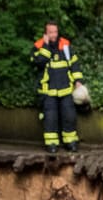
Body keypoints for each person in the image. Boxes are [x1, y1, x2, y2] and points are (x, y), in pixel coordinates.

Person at [30, 20, 81, 153]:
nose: (54, 35)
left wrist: (78, 80)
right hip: (48, 91)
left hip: (66, 88)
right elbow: (39, 62)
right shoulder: (38, 46)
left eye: (55, 32)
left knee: (69, 116)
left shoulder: (65, 45)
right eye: (51, 32)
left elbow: (74, 64)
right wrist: (46, 46)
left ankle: (70, 142)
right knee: (50, 118)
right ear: (45, 33)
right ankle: (51, 144)